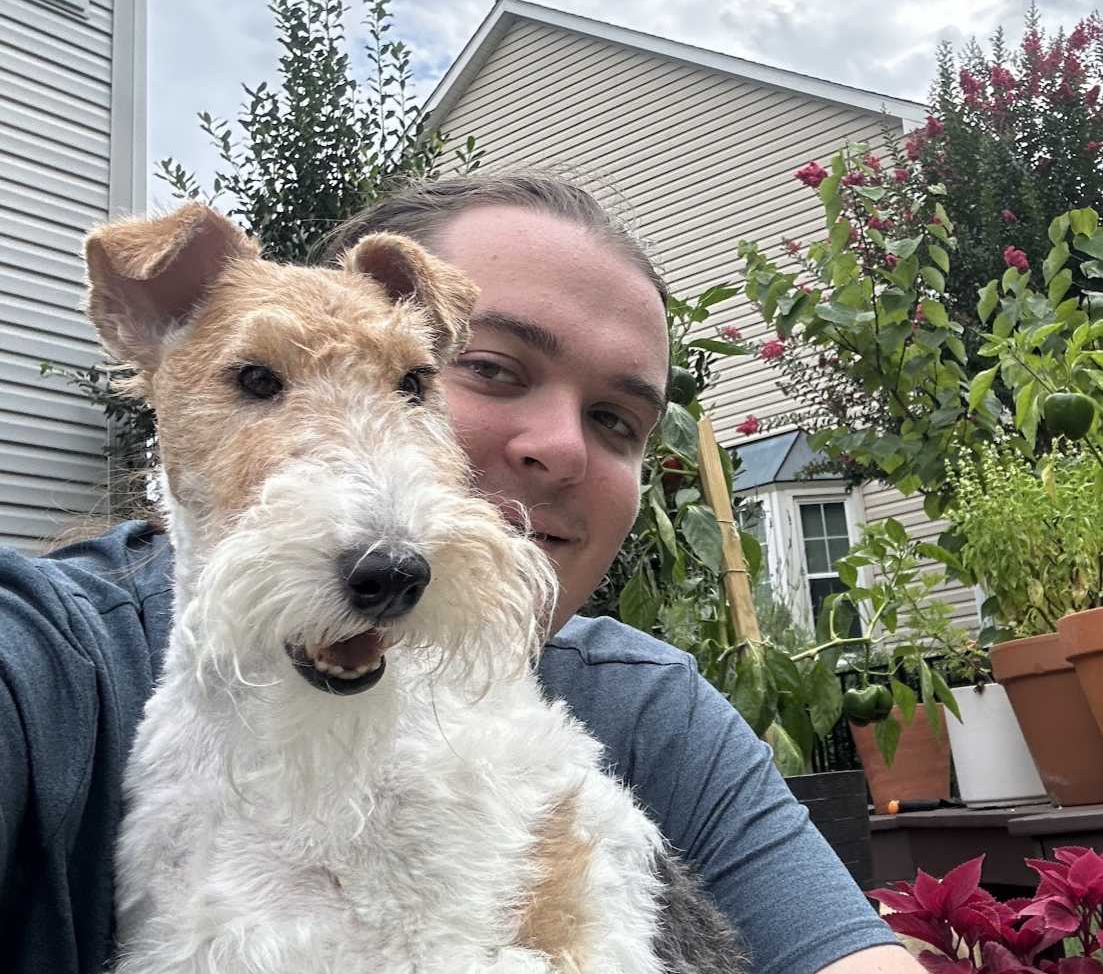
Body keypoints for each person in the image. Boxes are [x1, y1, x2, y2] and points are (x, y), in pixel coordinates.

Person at [0, 173, 916, 974]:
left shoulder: (647, 703)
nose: (560, 448)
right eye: (488, 366)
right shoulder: (56, 659)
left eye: (616, 421)